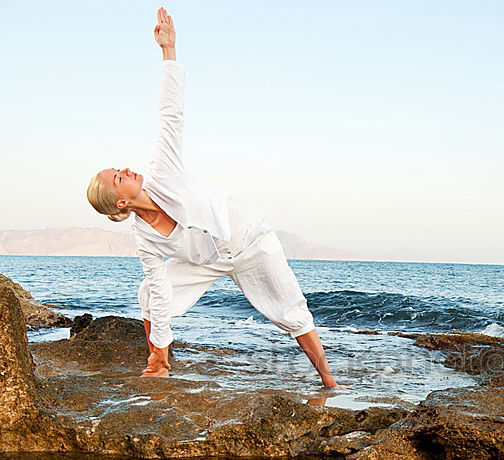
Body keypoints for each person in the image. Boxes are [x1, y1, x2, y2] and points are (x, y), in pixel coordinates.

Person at [86, 7, 337, 388]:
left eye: (121, 168)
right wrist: (159, 344)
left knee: (292, 312)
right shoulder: (145, 238)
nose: (128, 170)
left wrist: (168, 52)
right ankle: (158, 361)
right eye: (119, 177)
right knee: (150, 294)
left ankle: (329, 380)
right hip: (209, 262)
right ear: (119, 202)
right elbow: (158, 286)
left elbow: (171, 114)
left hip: (250, 240)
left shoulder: (162, 170)